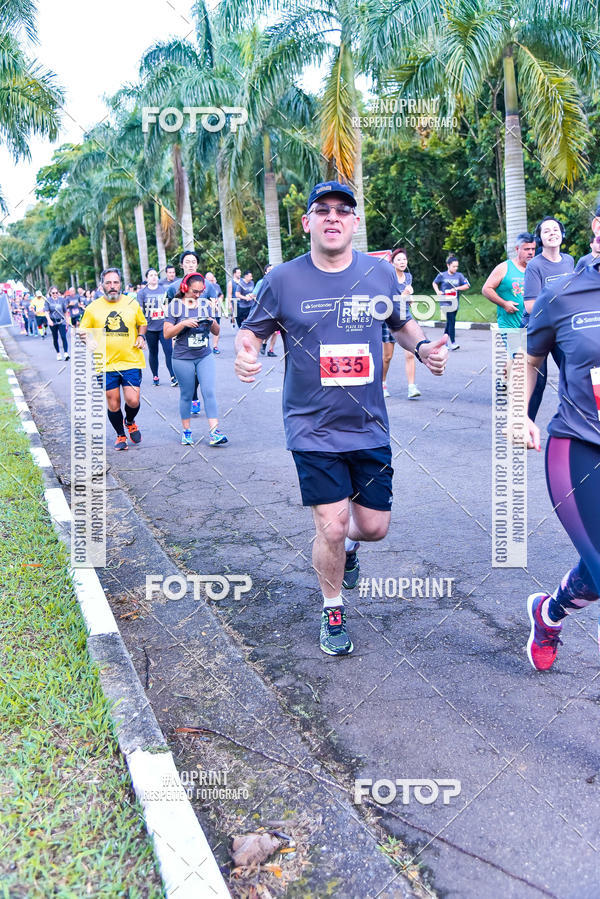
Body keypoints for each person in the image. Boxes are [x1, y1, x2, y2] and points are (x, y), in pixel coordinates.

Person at [234, 180, 448, 656]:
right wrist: (246, 354)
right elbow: (251, 333)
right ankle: (333, 608)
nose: (333, 217)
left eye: (342, 210)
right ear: (307, 222)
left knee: (372, 528)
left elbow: (401, 323)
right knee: (330, 525)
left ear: (354, 223)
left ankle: (350, 551)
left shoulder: (378, 274)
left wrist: (426, 347)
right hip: (311, 426)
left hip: (369, 423)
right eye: (322, 209)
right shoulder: (283, 279)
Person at [525, 258, 600, 670]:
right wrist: (520, 413)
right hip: (579, 445)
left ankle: (548, 614)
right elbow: (529, 361)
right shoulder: (561, 294)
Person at [79, 268, 147, 451]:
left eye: (115, 282)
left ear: (120, 284)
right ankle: (120, 435)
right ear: (102, 285)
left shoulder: (131, 303)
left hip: (130, 360)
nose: (112, 286)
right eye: (108, 283)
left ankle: (130, 420)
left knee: (133, 400)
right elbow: (82, 331)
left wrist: (142, 337)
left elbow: (142, 323)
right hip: (105, 363)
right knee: (113, 401)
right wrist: (88, 341)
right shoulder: (93, 308)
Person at [163, 273, 228, 447]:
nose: (198, 295)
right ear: (185, 288)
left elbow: (216, 331)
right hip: (183, 357)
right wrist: (183, 324)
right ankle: (186, 431)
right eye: (194, 291)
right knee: (186, 394)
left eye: (201, 291)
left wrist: (211, 320)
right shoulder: (174, 307)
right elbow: (167, 333)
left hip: (204, 355)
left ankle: (214, 432)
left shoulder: (205, 305)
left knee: (208, 391)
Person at [524, 217, 574, 422]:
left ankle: (576, 426)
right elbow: (530, 306)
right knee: (538, 383)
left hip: (562, 329)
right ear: (540, 239)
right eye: (546, 231)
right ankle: (523, 426)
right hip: (537, 329)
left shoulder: (570, 261)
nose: (552, 233)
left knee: (574, 375)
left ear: (562, 234)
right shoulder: (535, 265)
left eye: (556, 229)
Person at [382, 248, 419, 399]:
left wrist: (410, 299)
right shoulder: (388, 279)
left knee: (411, 354)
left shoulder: (408, 277)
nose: (402, 262)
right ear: (392, 263)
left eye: (404, 259)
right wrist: (403, 295)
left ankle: (412, 387)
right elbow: (387, 301)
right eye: (399, 260)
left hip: (405, 319)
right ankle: (382, 384)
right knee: (387, 357)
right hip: (389, 319)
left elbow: (406, 300)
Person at [137, 267, 177, 386]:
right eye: (151, 275)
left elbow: (171, 305)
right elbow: (139, 311)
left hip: (164, 326)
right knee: (153, 352)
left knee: (169, 351)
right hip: (150, 328)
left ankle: (173, 376)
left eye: (155, 275)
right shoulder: (142, 293)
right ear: (146, 278)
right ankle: (155, 376)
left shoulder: (164, 290)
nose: (154, 277)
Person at [432, 255, 470, 350]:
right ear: (448, 265)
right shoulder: (442, 275)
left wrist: (456, 288)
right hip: (445, 302)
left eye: (457, 266)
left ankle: (443, 343)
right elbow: (434, 283)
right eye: (453, 266)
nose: (455, 268)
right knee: (451, 322)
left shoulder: (459, 276)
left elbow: (467, 285)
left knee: (449, 322)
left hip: (455, 302)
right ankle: (453, 342)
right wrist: (437, 291)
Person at [255, 265, 278, 356]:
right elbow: (255, 295)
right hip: (265, 310)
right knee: (269, 330)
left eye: (273, 269)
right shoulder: (261, 282)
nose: (271, 271)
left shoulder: (278, 282)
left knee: (276, 332)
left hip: (276, 309)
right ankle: (263, 344)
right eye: (269, 270)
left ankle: (271, 350)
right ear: (265, 272)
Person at [45, 287, 69, 360]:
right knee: (55, 338)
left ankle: (66, 353)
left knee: (63, 336)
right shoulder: (48, 301)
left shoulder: (61, 300)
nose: (55, 294)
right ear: (50, 293)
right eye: (53, 293)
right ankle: (58, 353)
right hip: (53, 321)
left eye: (56, 292)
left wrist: (67, 320)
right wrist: (49, 320)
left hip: (61, 321)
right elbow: (46, 312)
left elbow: (65, 311)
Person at [205, 272, 224, 354]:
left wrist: (219, 300)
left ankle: (215, 346)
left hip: (216, 312)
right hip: (206, 312)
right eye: (208, 280)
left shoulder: (217, 286)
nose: (210, 281)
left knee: (216, 329)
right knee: (205, 330)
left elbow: (221, 295)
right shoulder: (203, 287)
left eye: (212, 279)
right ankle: (205, 346)